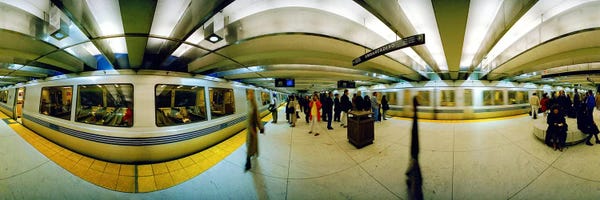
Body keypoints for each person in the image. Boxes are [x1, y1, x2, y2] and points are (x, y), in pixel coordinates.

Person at [245, 90, 265, 171]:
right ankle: (249, 159)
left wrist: (261, 127)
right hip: (249, 129)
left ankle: (248, 161)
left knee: (251, 144)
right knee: (249, 144)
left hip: (252, 129)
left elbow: (257, 117)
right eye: (249, 93)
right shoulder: (248, 103)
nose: (250, 95)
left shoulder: (254, 104)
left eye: (251, 93)